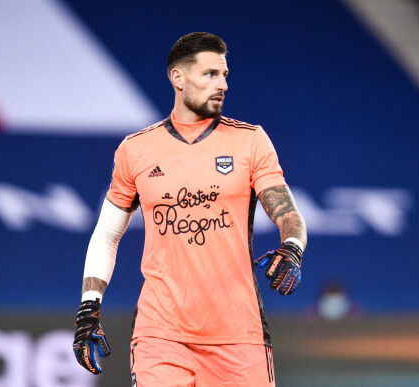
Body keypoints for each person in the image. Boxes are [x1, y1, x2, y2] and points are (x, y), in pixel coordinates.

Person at [73, 32, 308, 387]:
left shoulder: (250, 141)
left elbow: (287, 212)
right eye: (211, 74)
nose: (223, 85)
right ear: (178, 78)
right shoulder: (135, 151)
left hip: (239, 335)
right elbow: (106, 234)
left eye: (225, 75)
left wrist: (292, 247)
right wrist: (89, 308)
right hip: (161, 335)